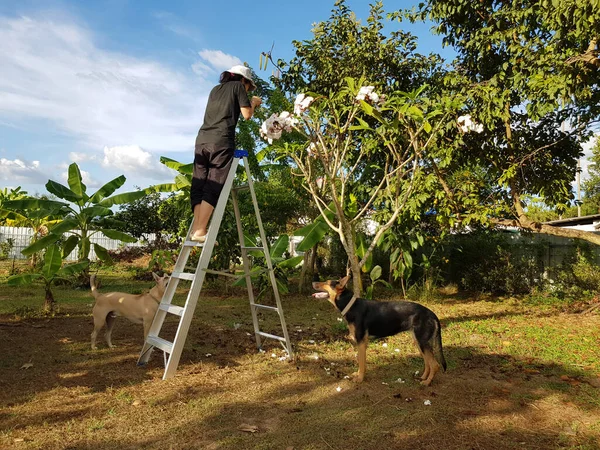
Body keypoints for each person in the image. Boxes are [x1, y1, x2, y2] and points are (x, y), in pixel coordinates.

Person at [190, 65, 262, 242]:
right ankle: (200, 230)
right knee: (214, 184)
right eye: (248, 85)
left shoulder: (215, 90)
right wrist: (253, 102)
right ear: (243, 80)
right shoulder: (238, 87)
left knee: (199, 184)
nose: (247, 89)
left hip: (202, 140)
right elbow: (246, 114)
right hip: (221, 141)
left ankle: (198, 228)